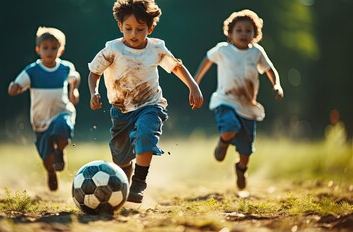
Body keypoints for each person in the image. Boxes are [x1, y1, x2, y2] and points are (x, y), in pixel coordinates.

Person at [88, 0, 203, 203]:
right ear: (120, 27)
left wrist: (193, 86)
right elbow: (94, 72)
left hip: (151, 105)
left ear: (150, 28)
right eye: (128, 28)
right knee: (121, 159)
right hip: (121, 110)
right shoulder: (112, 49)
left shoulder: (156, 48)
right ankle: (126, 179)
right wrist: (93, 92)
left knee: (145, 135)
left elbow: (176, 67)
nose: (134, 34)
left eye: (140, 29)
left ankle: (139, 182)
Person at [194, 9, 284, 190]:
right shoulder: (223, 50)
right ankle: (223, 142)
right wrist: (196, 81)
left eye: (248, 30)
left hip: (248, 107)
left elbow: (269, 69)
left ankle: (241, 169)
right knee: (229, 126)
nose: (243, 33)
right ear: (230, 33)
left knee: (246, 150)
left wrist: (277, 84)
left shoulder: (256, 52)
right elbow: (207, 60)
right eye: (239, 30)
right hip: (225, 100)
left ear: (255, 34)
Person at [8, 27, 80, 191]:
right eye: (45, 47)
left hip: (62, 112)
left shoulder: (65, 68)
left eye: (54, 48)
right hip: (40, 120)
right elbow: (16, 85)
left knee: (63, 127)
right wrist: (15, 87)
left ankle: (60, 151)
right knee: (46, 156)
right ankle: (50, 172)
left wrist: (73, 90)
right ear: (38, 49)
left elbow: (75, 77)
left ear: (60, 50)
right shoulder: (32, 71)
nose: (49, 51)